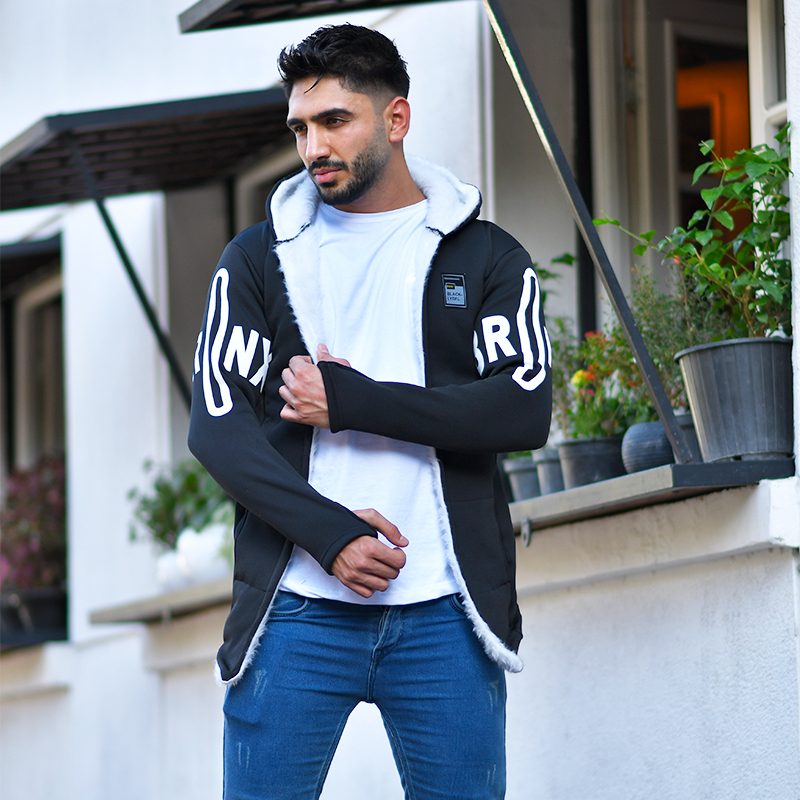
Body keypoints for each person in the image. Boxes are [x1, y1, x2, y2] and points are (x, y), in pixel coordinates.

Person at [188, 23, 551, 800]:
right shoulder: (258, 260)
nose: (313, 146)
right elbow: (216, 427)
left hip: (447, 613)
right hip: (295, 611)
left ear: (396, 118)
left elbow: (522, 409)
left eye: (334, 121)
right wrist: (332, 535)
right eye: (299, 127)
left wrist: (353, 402)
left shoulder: (487, 257)